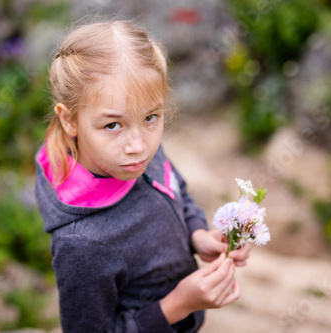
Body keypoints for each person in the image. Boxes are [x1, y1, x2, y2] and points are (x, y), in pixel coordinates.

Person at [34, 20, 251, 332]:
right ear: (69, 120)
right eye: (113, 125)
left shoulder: (135, 152)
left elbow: (177, 191)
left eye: (151, 117)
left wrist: (198, 235)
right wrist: (178, 304)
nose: (138, 146)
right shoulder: (81, 245)